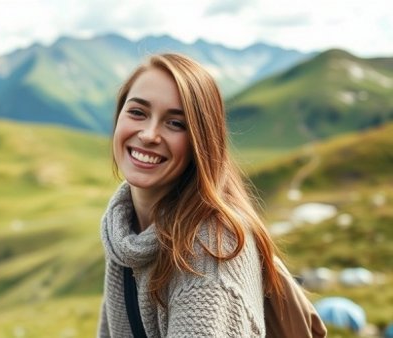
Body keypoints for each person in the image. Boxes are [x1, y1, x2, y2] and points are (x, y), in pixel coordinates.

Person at [98, 53, 289, 337]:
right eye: (138, 112)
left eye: (176, 123)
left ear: (201, 141)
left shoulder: (210, 256)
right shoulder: (124, 228)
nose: (149, 134)